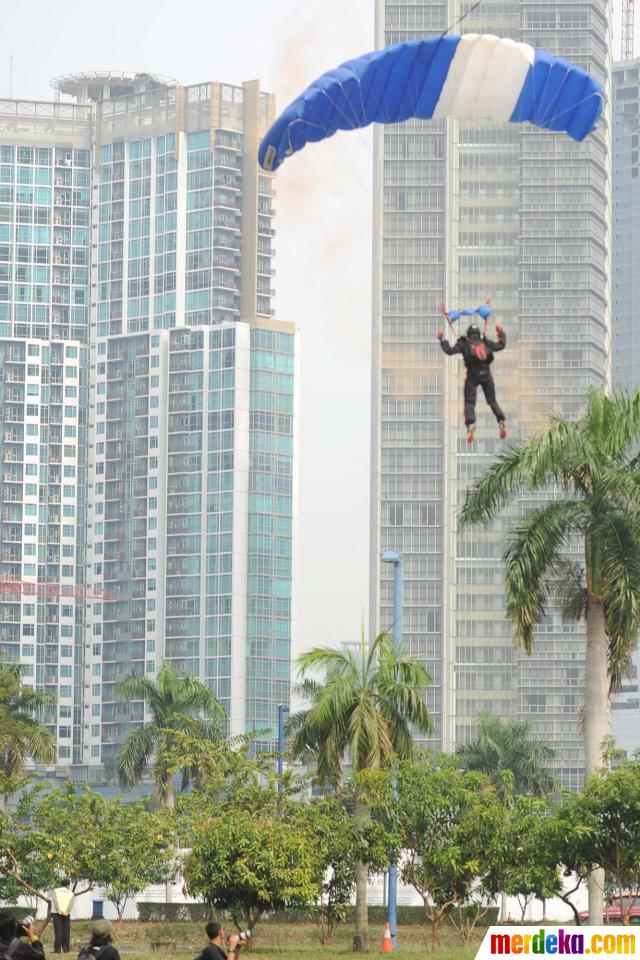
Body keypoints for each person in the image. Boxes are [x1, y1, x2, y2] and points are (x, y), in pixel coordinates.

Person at [437, 321, 507, 443]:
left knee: (470, 402)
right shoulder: (485, 342)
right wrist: (500, 333)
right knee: (492, 401)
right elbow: (501, 345)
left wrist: (442, 339)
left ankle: (471, 424)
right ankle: (500, 419)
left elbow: (449, 351)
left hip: (472, 377)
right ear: (478, 334)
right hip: (486, 376)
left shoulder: (464, 344)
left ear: (469, 335)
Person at [51, 881, 74, 954]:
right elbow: (71, 903)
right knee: (66, 931)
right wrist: (67, 911)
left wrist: (58, 910)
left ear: (61, 885)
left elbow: (55, 901)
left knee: (58, 931)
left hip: (56, 913)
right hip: (66, 914)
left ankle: (57, 950)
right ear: (67, 885)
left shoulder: (55, 891)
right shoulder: (71, 893)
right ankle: (66, 949)